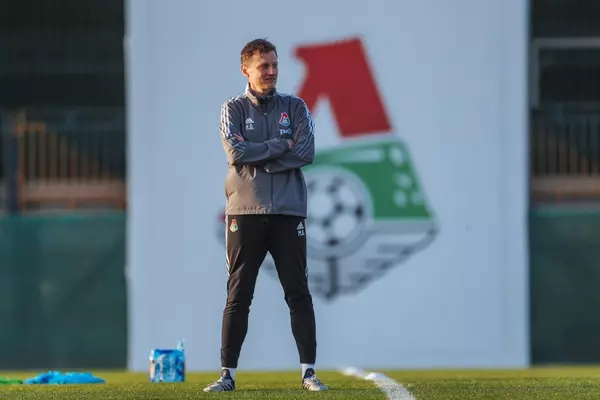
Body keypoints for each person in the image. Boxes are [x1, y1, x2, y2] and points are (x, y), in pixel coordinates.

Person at [203, 38, 328, 392]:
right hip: (244, 213)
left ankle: (308, 373)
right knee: (238, 294)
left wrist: (260, 157)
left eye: (274, 65)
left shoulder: (296, 106)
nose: (271, 72)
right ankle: (227, 374)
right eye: (264, 66)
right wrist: (278, 147)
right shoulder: (233, 108)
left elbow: (306, 152)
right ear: (246, 70)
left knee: (298, 292)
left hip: (288, 212)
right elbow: (235, 152)